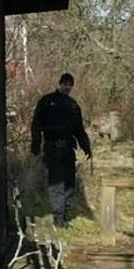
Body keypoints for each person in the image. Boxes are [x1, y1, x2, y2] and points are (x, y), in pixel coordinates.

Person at [30, 73, 91, 227]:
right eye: (65, 84)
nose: (67, 87)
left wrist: (86, 147)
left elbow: (79, 129)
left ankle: (64, 213)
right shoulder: (46, 101)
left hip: (68, 148)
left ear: (72, 86)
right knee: (56, 183)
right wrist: (36, 146)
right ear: (59, 84)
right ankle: (59, 218)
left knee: (70, 183)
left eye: (69, 84)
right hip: (52, 147)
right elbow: (36, 124)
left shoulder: (73, 105)